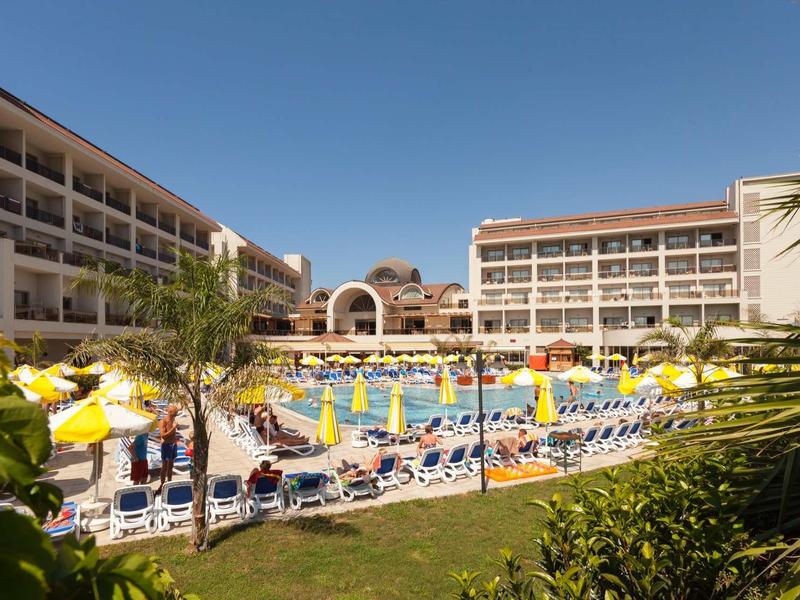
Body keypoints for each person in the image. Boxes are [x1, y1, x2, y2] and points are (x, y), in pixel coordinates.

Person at [157, 404, 179, 494]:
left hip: (173, 445)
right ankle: (162, 484)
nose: (177, 413)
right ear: (170, 412)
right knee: (165, 466)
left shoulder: (173, 419)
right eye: (175, 412)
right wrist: (174, 428)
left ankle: (169, 482)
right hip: (166, 446)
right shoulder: (163, 422)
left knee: (171, 466)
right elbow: (163, 435)